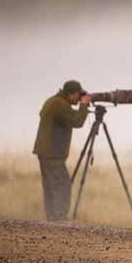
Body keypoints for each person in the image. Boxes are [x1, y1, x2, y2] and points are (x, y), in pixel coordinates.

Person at [33, 80, 91, 221]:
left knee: (50, 186)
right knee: (63, 184)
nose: (79, 99)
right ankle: (60, 217)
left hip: (44, 150)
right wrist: (84, 105)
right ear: (71, 94)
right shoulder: (61, 105)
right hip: (52, 152)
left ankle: (52, 217)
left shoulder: (52, 101)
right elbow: (77, 122)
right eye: (78, 95)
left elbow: (47, 115)